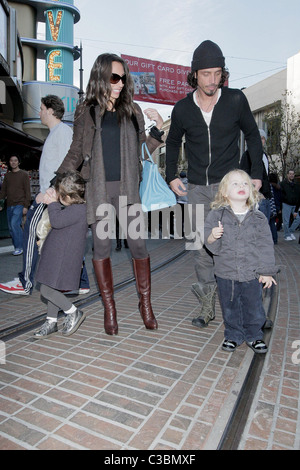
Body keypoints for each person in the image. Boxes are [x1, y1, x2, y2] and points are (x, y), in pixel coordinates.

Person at [55, 53, 164, 335]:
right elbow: (76, 151)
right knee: (102, 248)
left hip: (128, 189)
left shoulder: (133, 110)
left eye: (122, 78)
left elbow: (142, 151)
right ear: (101, 77)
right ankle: (110, 309)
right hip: (100, 190)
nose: (119, 83)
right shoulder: (87, 111)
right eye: (114, 77)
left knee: (138, 246)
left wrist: (158, 133)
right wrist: (55, 184)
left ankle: (146, 305)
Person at [165, 40, 264, 328]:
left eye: (217, 73)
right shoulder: (183, 108)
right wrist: (171, 175)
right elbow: (172, 142)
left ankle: (250, 310)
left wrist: (255, 172)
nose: (211, 80)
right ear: (194, 74)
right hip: (196, 188)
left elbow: (253, 136)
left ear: (223, 74)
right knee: (201, 249)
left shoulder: (235, 100)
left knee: (239, 249)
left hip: (229, 188)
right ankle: (207, 308)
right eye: (206, 73)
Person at [0, 95, 90, 295]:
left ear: (50, 110)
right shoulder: (55, 134)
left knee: (30, 231)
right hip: (52, 194)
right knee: (67, 237)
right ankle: (81, 282)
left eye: (41, 108)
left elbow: (69, 167)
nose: (39, 112)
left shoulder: (62, 132)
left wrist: (50, 191)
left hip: (52, 195)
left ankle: (26, 282)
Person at [204, 170, 278, 353]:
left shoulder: (259, 219)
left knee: (253, 305)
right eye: (235, 184)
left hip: (252, 273)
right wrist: (212, 236)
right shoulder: (216, 216)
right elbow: (207, 240)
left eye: (245, 183)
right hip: (226, 272)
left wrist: (266, 271)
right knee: (230, 306)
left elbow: (266, 246)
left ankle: (254, 335)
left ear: (252, 191)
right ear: (224, 192)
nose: (241, 186)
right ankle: (233, 334)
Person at [34, 171, 88, 338]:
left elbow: (56, 221)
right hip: (57, 254)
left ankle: (72, 311)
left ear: (69, 196)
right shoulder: (74, 207)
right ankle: (51, 322)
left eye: (60, 194)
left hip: (63, 257)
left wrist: (52, 203)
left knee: (46, 289)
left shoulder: (79, 210)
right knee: (51, 286)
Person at [0, 155, 31, 255]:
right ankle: (20, 246)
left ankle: (19, 247)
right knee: (11, 228)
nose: (13, 162)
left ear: (19, 162)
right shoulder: (8, 176)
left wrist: (26, 206)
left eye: (15, 160)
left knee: (14, 224)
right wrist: (1, 202)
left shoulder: (24, 174)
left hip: (20, 204)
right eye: (11, 161)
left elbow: (27, 191)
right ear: (9, 162)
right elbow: (3, 190)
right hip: (9, 204)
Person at [280, 169, 300, 241]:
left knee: (298, 219)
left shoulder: (297, 184)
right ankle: (286, 235)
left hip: (294, 205)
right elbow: (281, 194)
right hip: (286, 204)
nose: (291, 175)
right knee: (286, 221)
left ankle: (290, 231)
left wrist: (296, 209)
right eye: (290, 174)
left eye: (293, 174)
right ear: (287, 175)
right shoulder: (283, 184)